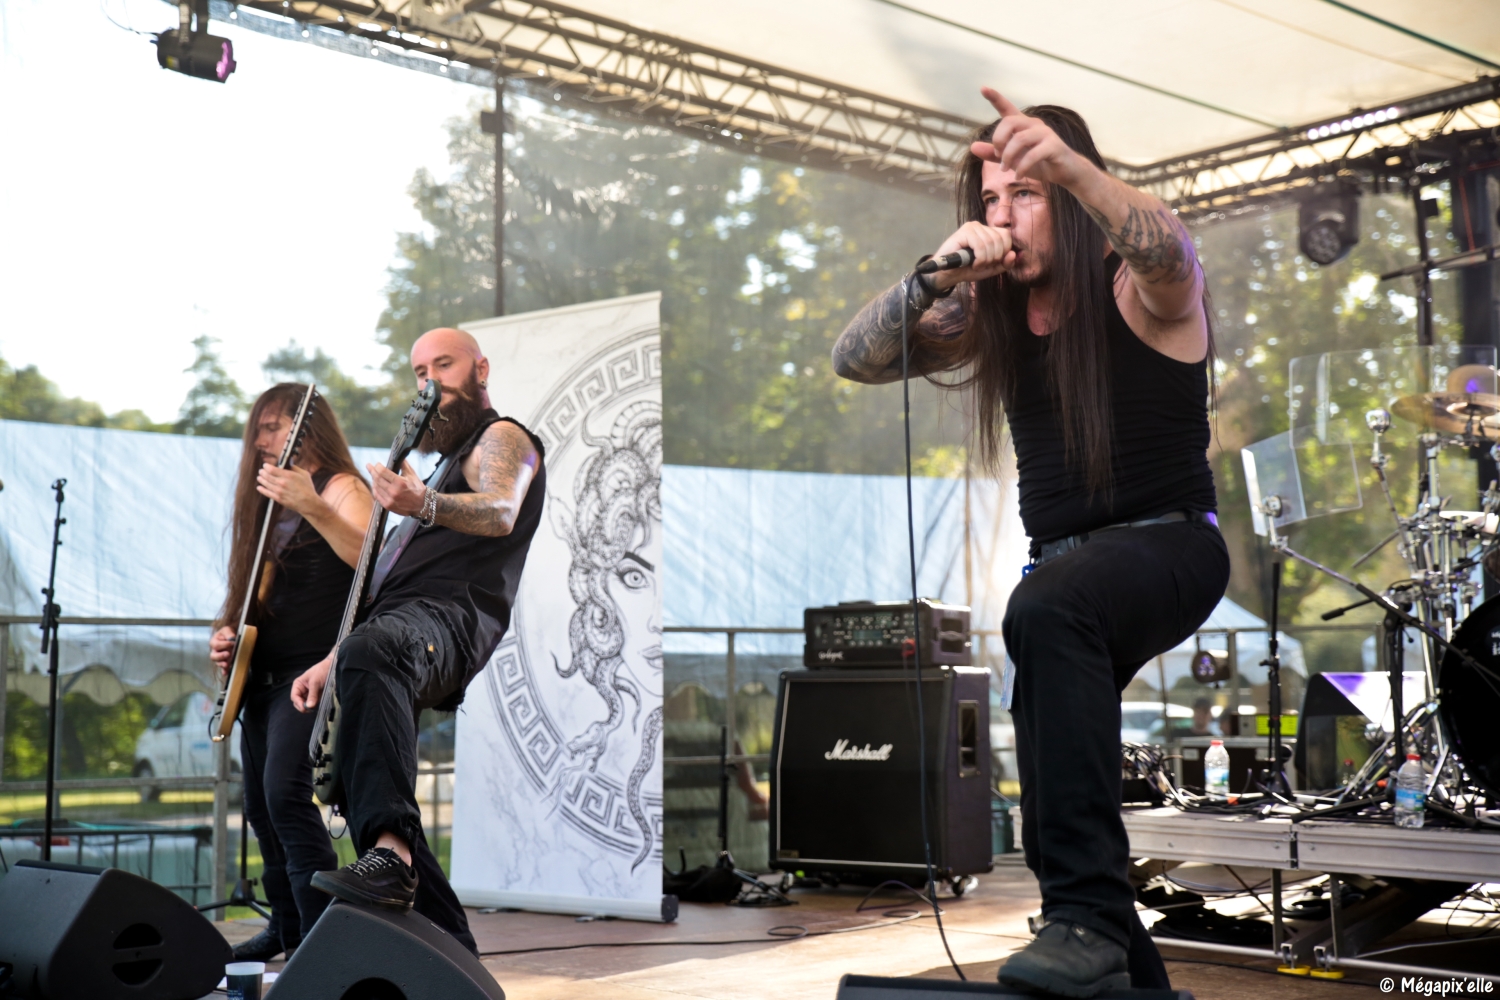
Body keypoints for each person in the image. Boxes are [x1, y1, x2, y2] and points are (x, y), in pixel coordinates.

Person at [832, 89, 1229, 997]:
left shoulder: (1134, 287)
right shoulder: (987, 314)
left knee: (1044, 607)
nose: (1003, 215)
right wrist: (936, 274)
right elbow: (854, 359)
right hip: (1063, 579)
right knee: (1055, 807)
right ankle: (1108, 949)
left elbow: (1171, 252)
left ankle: (1082, 920)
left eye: (1026, 194)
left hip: (1169, 548)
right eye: (991, 199)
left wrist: (1074, 170)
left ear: (1071, 200)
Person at [290, 327, 545, 956]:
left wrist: (423, 503)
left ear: (481, 369)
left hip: (446, 620)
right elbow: (382, 589)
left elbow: (501, 510)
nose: (430, 381)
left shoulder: (502, 438)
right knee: (360, 788)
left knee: (374, 658)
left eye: (445, 364)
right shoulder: (438, 468)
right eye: (419, 372)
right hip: (395, 629)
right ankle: (451, 948)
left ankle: (392, 855)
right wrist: (333, 658)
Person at [209, 384, 373, 961]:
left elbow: (372, 561)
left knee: (285, 796)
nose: (261, 440)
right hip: (263, 678)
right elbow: (256, 597)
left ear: (308, 427)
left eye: (273, 426)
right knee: (260, 806)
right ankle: (285, 928)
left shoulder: (341, 486)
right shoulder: (269, 506)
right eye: (258, 429)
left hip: (311, 676)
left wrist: (313, 505)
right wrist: (227, 634)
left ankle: (318, 945)